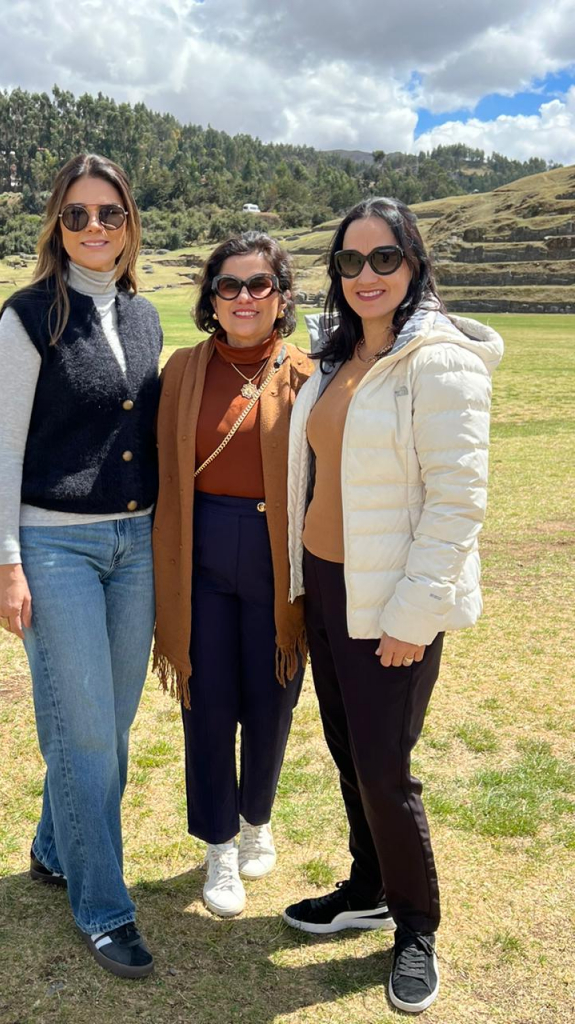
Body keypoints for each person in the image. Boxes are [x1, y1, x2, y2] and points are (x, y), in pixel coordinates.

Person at [283, 197, 503, 1013]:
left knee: (385, 767)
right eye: (350, 262)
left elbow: (456, 506)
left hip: (396, 598)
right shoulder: (338, 358)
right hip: (332, 584)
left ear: (413, 263)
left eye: (384, 259)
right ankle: (368, 887)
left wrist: (414, 617)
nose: (366, 275)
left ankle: (416, 927)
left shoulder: (440, 362)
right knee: (349, 753)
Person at [0, 153, 162, 979]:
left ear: (130, 225)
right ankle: (102, 907)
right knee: (87, 732)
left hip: (137, 547)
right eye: (78, 215)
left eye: (111, 214)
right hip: (54, 548)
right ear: (57, 226)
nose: (96, 228)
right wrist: (6, 564)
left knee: (109, 725)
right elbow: (3, 453)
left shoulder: (146, 317)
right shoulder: (28, 317)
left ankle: (56, 843)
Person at [152, 232, 313, 917]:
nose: (244, 297)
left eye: (259, 285)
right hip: (202, 550)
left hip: (281, 553)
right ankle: (218, 845)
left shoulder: (308, 374)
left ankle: (256, 820)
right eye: (229, 285)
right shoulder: (182, 371)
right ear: (210, 300)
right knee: (207, 701)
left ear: (281, 299)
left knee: (272, 697)